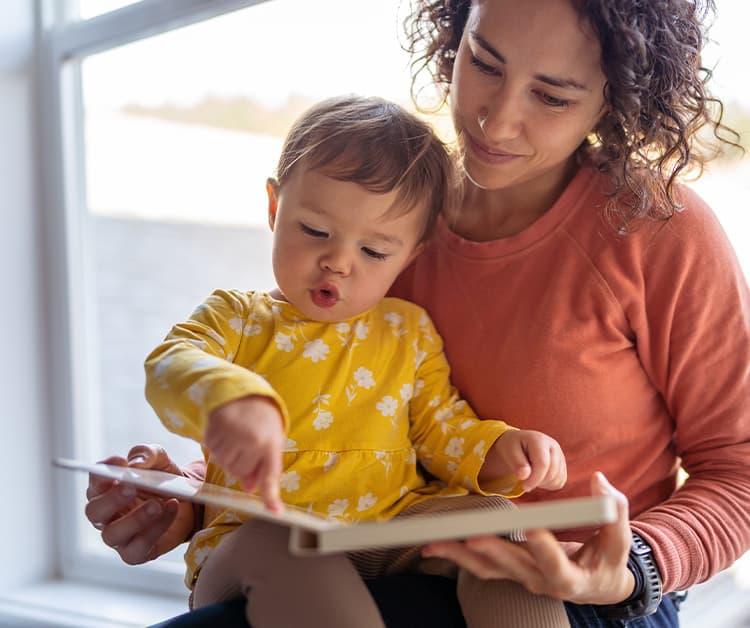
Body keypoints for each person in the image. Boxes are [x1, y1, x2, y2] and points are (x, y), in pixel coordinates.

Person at [86, 0, 750, 626]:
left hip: (588, 596)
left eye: (551, 95)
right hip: (377, 554)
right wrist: (191, 501)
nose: (495, 118)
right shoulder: (387, 218)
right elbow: (329, 409)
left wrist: (631, 564)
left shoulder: (658, 231)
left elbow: (740, 474)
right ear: (454, 35)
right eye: (484, 63)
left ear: (618, 95)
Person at [140, 93, 570, 628]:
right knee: (283, 540)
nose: (338, 262)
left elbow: (441, 428)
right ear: (275, 209)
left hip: (387, 530)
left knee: (495, 519)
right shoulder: (239, 318)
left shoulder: (407, 331)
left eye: (373, 252)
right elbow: (169, 362)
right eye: (315, 231)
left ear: (411, 254)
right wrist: (230, 397)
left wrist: (500, 450)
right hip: (258, 542)